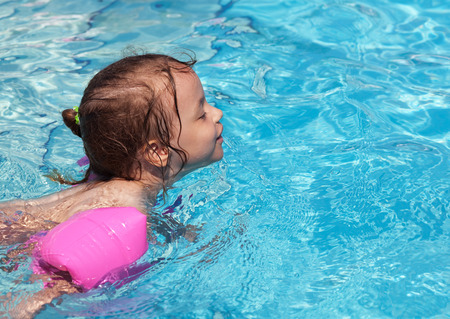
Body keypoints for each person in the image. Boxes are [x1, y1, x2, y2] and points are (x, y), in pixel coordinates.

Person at [0, 53, 224, 317]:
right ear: (157, 151)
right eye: (201, 113)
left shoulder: (113, 174)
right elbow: (41, 293)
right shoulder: (119, 216)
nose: (217, 112)